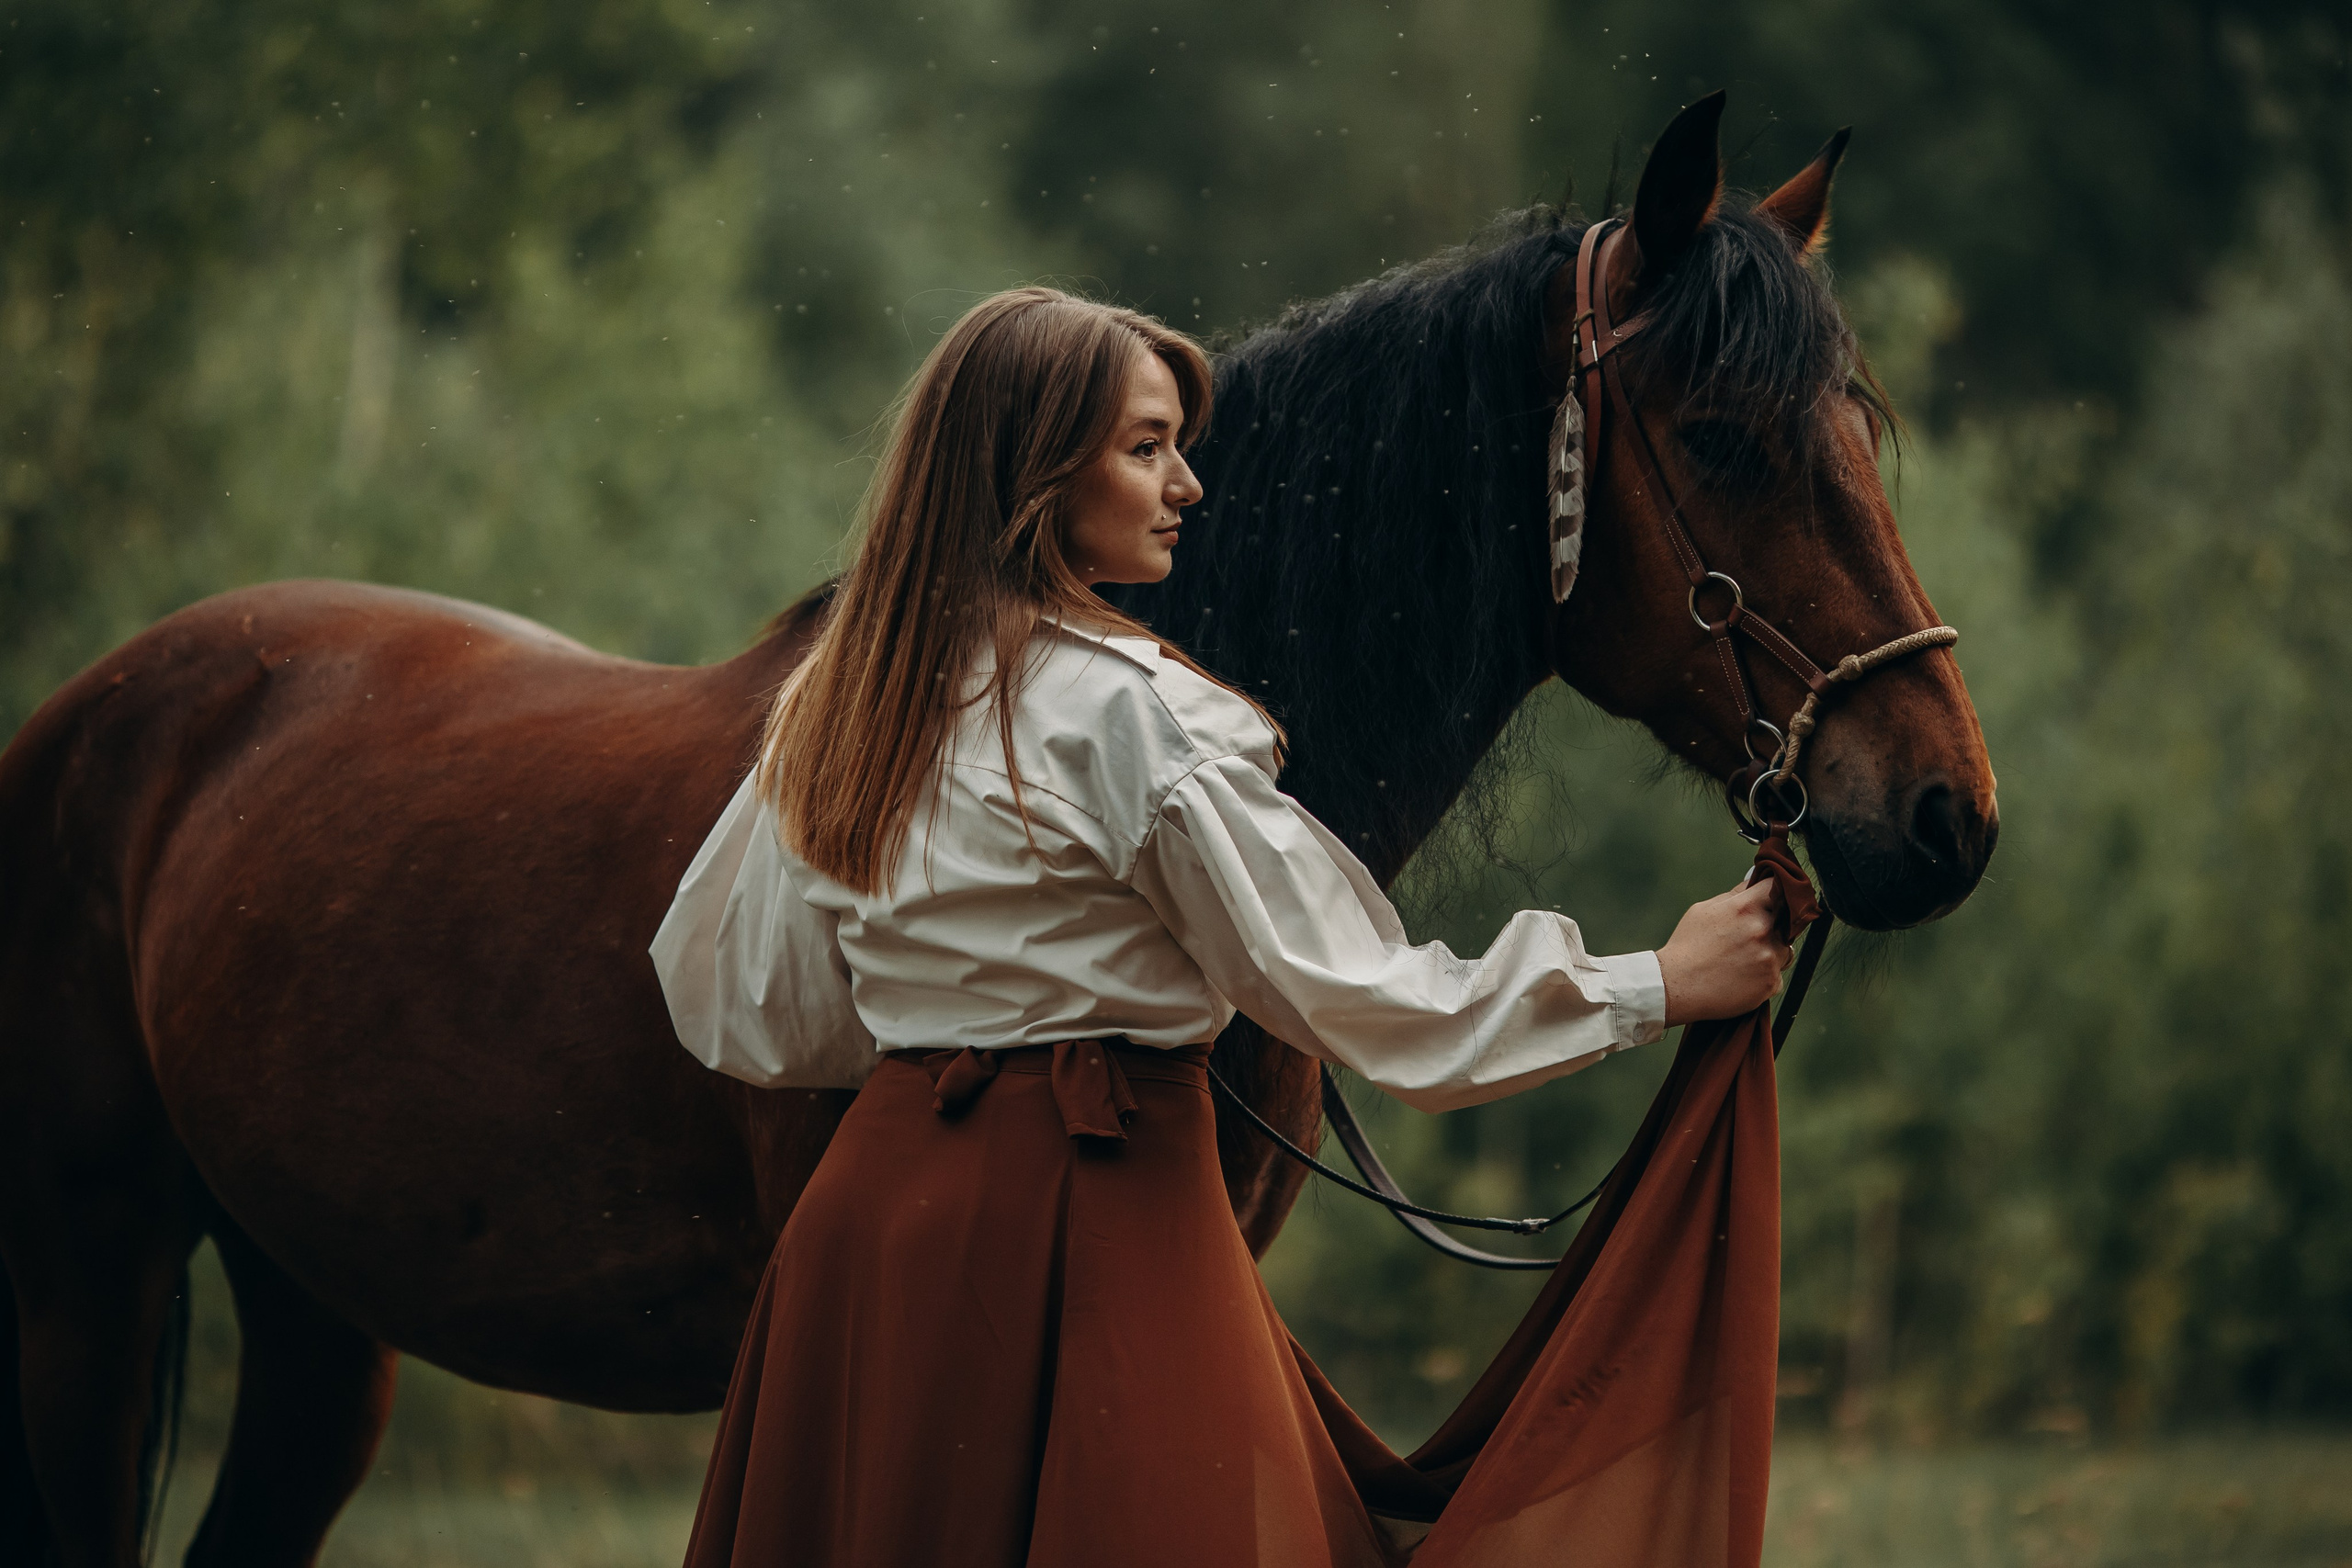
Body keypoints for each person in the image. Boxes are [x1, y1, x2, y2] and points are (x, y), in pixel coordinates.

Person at [650, 286, 1791, 1567]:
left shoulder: (841, 701)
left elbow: (741, 1004)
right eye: (1147, 448)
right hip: (1102, 1208)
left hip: (873, 1233)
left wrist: (944, 1042)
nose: (1189, 484)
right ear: (1034, 472)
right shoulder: (1133, 717)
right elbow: (1374, 1006)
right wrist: (1660, 979)